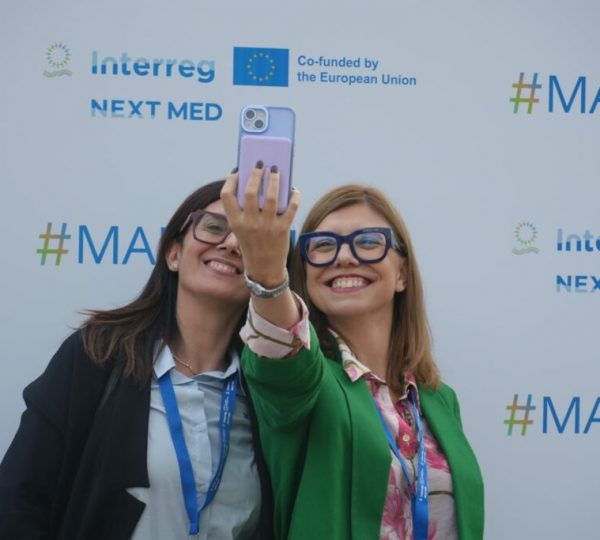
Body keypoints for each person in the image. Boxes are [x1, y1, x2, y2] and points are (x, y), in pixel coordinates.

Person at [221, 165, 484, 539]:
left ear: (402, 274)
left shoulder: (440, 400)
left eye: (368, 242)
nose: (343, 257)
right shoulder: (306, 380)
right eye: (323, 246)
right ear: (305, 274)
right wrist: (268, 275)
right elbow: (280, 347)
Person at [0, 179, 273, 540]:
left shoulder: (266, 390)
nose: (233, 243)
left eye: (250, 239)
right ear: (173, 254)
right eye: (213, 227)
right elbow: (18, 500)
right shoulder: (97, 355)